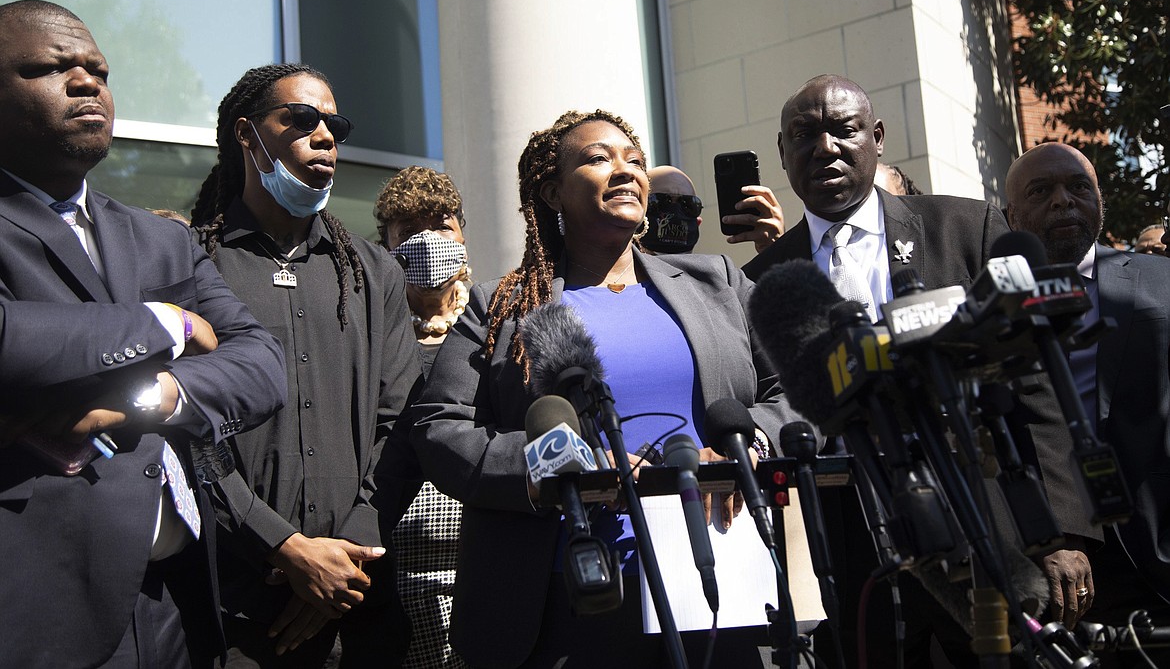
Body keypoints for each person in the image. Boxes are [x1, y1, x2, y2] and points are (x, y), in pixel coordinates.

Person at [402, 109, 800, 668]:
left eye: (634, 161)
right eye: (597, 158)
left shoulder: (719, 282)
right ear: (552, 191)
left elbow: (797, 386)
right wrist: (560, 465)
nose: (625, 171)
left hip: (715, 579)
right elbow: (439, 427)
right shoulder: (504, 307)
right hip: (568, 596)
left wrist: (745, 446)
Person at [743, 74, 1090, 666]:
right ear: (782, 153)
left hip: (991, 528)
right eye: (804, 135)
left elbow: (1035, 385)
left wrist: (1058, 531)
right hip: (849, 548)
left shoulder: (966, 226)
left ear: (876, 138)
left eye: (843, 130)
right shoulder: (761, 280)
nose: (825, 147)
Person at [0, 0, 285, 667]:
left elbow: (260, 360)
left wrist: (152, 394)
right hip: (36, 607)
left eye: (96, 69)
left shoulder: (161, 239)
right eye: (48, 67)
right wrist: (167, 323)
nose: (85, 82)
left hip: (175, 605)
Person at [190, 63, 423, 667]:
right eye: (300, 119)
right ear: (246, 135)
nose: (325, 136)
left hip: (361, 600)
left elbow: (402, 423)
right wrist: (285, 548)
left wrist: (347, 552)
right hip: (238, 607)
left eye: (334, 125)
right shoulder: (192, 263)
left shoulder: (373, 273)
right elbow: (184, 427)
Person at [1006, 143, 1170, 647]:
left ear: (1099, 199)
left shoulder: (1158, 280)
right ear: (1011, 214)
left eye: (1079, 187)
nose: (1063, 201)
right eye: (1042, 191)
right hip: (1051, 566)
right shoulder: (988, 309)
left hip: (1157, 546)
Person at [374, 165, 472, 668]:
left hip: (478, 550)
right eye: (411, 230)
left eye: (442, 225)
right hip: (389, 553)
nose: (429, 241)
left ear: (462, 235)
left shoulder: (495, 320)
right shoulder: (370, 328)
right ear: (386, 244)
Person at [643, 164, 784, 255]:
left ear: (697, 223)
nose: (675, 211)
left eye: (688, 204)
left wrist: (773, 249)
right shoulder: (624, 281)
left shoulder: (720, 279)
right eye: (659, 201)